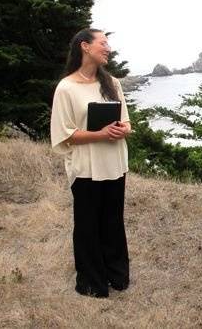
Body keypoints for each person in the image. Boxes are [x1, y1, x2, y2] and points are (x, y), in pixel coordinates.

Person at [50, 28, 132, 298]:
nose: (108, 48)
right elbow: (65, 134)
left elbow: (127, 122)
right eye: (103, 43)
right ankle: (91, 282)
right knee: (87, 225)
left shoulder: (112, 83)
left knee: (112, 221)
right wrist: (99, 134)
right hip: (86, 167)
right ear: (85, 46)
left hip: (114, 162)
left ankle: (117, 275)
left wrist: (122, 130)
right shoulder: (67, 88)